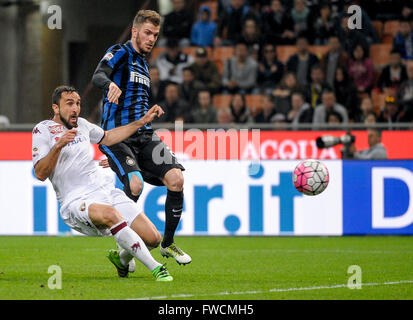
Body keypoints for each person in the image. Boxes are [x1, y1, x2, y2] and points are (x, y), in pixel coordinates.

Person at [32, 85, 173, 281]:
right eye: (69, 103)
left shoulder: (82, 124)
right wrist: (58, 145)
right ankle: (156, 268)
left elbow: (108, 137)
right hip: (75, 200)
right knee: (111, 215)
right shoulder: (43, 129)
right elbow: (40, 173)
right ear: (56, 108)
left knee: (153, 238)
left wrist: (142, 122)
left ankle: (121, 260)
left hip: (105, 191)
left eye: (78, 104)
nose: (75, 108)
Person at [91, 10, 191, 265]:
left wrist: (152, 110)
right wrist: (109, 85)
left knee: (176, 178)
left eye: (155, 35)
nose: (151, 38)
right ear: (135, 31)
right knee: (135, 184)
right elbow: (98, 74)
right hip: (117, 136)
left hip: (143, 135)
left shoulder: (145, 65)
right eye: (147, 33)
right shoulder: (121, 52)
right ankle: (124, 243)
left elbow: (136, 101)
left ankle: (167, 244)